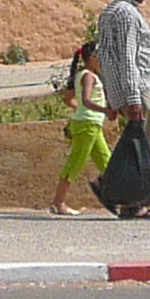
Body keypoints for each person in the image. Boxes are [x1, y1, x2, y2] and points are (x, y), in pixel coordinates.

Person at [89, 0, 150, 218]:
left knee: (133, 144)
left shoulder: (109, 12)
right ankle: (119, 191)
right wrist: (133, 98)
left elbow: (106, 57)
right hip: (137, 88)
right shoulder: (128, 15)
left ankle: (128, 199)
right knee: (146, 146)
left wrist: (114, 95)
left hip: (123, 89)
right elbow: (128, 58)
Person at [50, 41, 109, 216]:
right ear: (92, 57)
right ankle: (58, 202)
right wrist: (105, 110)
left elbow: (70, 100)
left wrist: (81, 111)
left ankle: (119, 199)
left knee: (107, 163)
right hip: (87, 125)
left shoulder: (81, 75)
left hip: (90, 124)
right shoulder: (89, 76)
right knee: (75, 163)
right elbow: (86, 100)